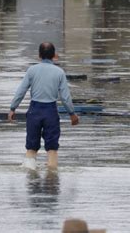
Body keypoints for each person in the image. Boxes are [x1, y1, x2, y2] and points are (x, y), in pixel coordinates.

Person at [8, 41, 79, 170]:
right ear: (54, 56)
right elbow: (65, 97)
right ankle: (52, 181)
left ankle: (30, 178)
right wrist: (72, 114)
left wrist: (13, 108)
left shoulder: (32, 70)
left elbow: (21, 91)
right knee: (52, 149)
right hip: (51, 112)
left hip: (34, 111)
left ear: (39, 55)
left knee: (31, 148)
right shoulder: (59, 72)